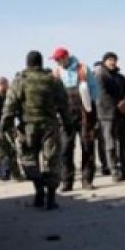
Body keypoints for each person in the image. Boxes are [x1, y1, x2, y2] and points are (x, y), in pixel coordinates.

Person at [0, 51, 73, 210]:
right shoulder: (52, 80)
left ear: (27, 63)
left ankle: (39, 191)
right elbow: (64, 104)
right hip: (50, 126)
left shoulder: (20, 80)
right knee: (52, 161)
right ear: (41, 63)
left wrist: (6, 123)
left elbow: (10, 105)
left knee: (29, 160)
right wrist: (68, 123)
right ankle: (51, 198)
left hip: (28, 128)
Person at [50, 47, 101, 190]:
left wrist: (89, 103)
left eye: (59, 59)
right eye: (55, 60)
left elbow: (95, 89)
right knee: (65, 148)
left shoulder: (83, 69)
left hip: (85, 112)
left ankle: (87, 180)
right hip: (65, 114)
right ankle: (67, 181)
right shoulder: (56, 73)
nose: (57, 62)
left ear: (66, 57)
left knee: (87, 146)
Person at [95, 52, 125, 181]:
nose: (112, 62)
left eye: (114, 60)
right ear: (104, 61)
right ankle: (114, 170)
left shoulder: (120, 77)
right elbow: (102, 95)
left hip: (122, 115)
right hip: (107, 115)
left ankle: (124, 169)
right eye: (110, 60)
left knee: (124, 142)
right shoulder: (100, 76)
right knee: (110, 144)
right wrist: (117, 105)